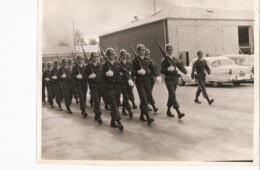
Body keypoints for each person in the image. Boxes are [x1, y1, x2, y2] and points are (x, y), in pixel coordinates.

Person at [101, 48, 135, 131]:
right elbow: (101, 77)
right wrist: (106, 74)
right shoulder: (104, 65)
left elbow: (125, 71)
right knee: (113, 104)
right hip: (109, 87)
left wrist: (129, 79)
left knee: (116, 104)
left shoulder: (117, 63)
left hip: (118, 87)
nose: (112, 56)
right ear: (107, 56)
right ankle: (119, 122)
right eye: (110, 55)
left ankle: (113, 121)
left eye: (113, 54)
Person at [131, 44, 162, 125]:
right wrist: (138, 72)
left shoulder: (147, 60)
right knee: (144, 99)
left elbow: (153, 69)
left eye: (144, 50)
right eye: (141, 50)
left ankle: (142, 115)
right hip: (139, 82)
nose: (143, 51)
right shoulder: (134, 60)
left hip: (147, 81)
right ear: (138, 51)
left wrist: (157, 76)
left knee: (147, 98)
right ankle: (148, 116)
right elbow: (132, 72)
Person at [160, 44, 186, 119]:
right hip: (168, 79)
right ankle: (178, 112)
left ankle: (168, 110)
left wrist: (186, 72)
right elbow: (162, 70)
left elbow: (180, 67)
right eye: (169, 50)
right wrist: (168, 69)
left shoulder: (174, 59)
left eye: (171, 50)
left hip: (175, 79)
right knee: (173, 95)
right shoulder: (164, 60)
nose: (170, 51)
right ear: (166, 51)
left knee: (171, 95)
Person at [84, 52, 103, 124]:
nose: (95, 58)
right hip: (93, 86)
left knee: (98, 99)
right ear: (91, 57)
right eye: (94, 57)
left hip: (100, 85)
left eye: (96, 57)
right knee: (96, 100)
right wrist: (89, 76)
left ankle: (96, 114)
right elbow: (83, 77)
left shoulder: (100, 65)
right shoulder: (87, 66)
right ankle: (99, 116)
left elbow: (103, 74)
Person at [119, 49, 133, 118]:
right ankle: (129, 110)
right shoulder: (118, 64)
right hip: (122, 82)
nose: (124, 56)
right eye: (122, 55)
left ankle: (124, 109)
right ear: (120, 56)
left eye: (125, 55)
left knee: (128, 96)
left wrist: (130, 78)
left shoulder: (129, 63)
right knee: (126, 96)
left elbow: (130, 72)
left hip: (128, 81)